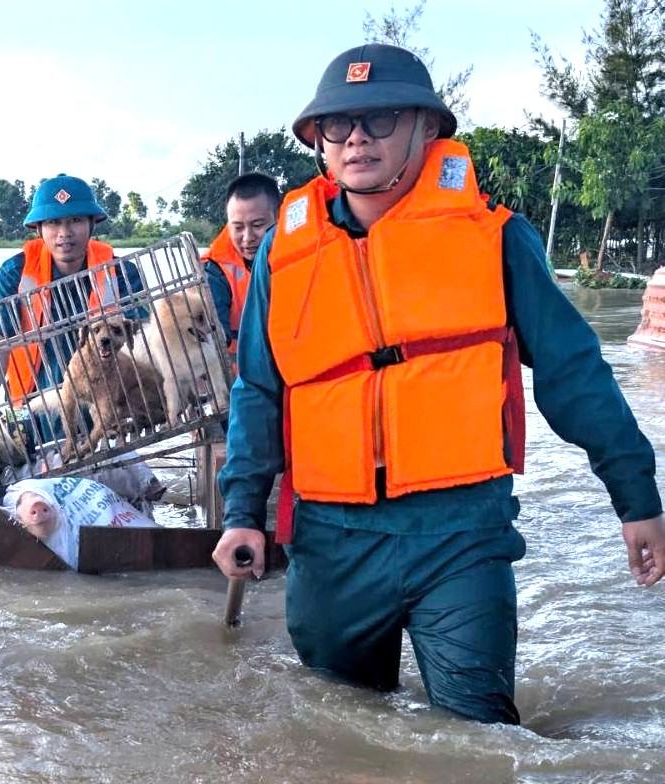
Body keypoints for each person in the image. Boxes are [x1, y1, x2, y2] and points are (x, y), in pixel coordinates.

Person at [211, 43, 664, 724]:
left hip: (459, 533)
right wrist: (242, 510)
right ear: (319, 146)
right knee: (340, 733)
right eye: (338, 125)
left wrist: (635, 497)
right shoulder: (283, 251)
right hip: (331, 540)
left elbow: (574, 374)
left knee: (477, 734)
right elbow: (257, 390)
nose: (357, 136)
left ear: (427, 129)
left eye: (381, 117)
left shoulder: (497, 237)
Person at [0, 174, 146, 442]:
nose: (64, 233)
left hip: (105, 403)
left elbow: (144, 337)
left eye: (76, 221)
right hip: (34, 405)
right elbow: (0, 340)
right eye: (53, 222)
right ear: (38, 228)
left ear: (92, 224)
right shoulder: (15, 272)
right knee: (0, 438)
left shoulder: (122, 271)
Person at [201, 172, 280, 364]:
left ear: (279, 217)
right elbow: (216, 331)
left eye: (258, 225)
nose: (247, 237)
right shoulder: (215, 271)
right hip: (242, 378)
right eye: (238, 227)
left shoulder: (304, 255)